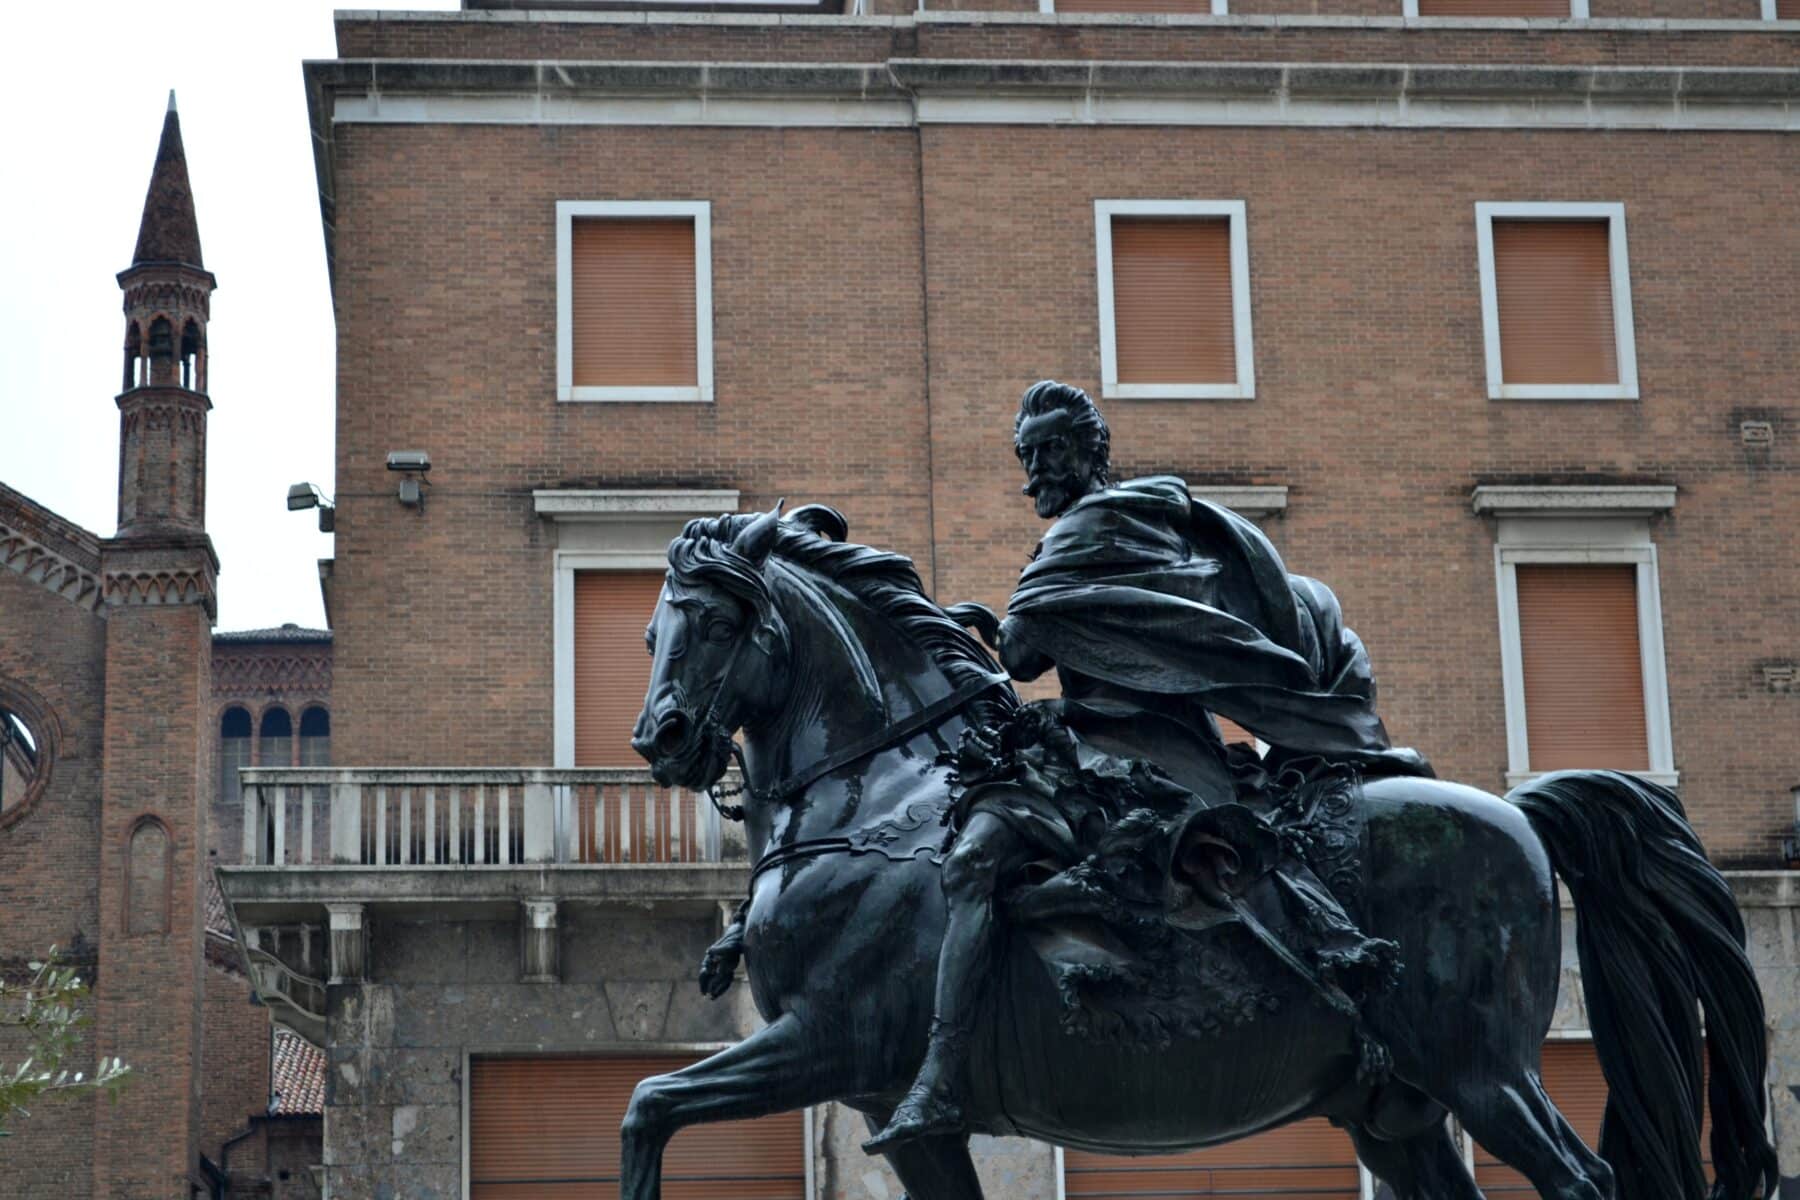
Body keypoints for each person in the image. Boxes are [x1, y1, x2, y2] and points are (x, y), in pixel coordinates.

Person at [864, 380, 1428, 1151]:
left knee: (970, 864)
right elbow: (1057, 637)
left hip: (1130, 754)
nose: (1034, 475)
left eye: (1046, 454)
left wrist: (1006, 624)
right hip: (1123, 747)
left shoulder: (1093, 527)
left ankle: (941, 1077)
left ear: (1089, 451)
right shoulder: (1137, 525)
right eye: (1025, 458)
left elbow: (1028, 651)